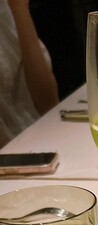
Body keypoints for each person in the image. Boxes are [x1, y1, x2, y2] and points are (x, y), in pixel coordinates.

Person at [0, 0, 59, 147]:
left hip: (39, 140)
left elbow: (48, 104)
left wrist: (20, 9)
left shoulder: (7, 9)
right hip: (17, 153)